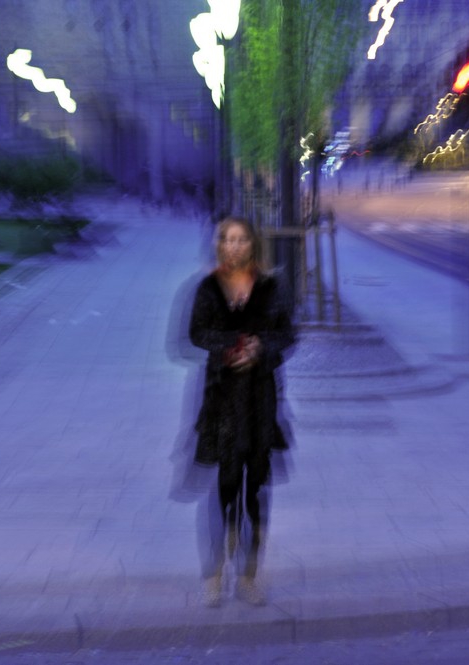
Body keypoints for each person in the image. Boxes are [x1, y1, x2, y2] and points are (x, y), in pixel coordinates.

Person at [188, 216, 295, 607]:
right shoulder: (208, 287)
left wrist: (260, 348)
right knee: (225, 487)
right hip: (222, 403)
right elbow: (196, 333)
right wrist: (232, 345)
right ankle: (215, 572)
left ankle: (249, 574)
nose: (234, 246)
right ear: (219, 244)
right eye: (227, 239)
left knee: (255, 492)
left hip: (260, 400)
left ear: (253, 243)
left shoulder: (271, 285)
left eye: (241, 239)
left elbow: (287, 333)